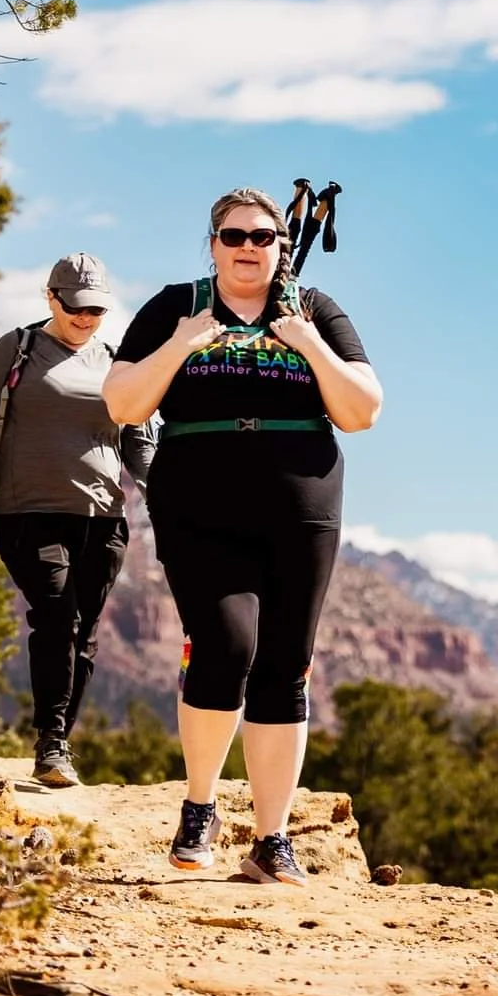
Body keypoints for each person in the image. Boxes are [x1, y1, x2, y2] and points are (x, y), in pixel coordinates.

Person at [103, 188, 382, 887]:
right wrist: (180, 345)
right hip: (199, 499)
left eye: (263, 236)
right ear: (213, 243)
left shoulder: (315, 309)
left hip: (303, 502)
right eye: (234, 236)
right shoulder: (176, 306)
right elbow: (124, 402)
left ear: (282, 245)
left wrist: (309, 344)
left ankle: (272, 838)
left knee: (286, 662)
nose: (249, 246)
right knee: (226, 643)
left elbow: (363, 410)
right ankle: (200, 806)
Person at [0, 253, 156, 788]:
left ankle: (57, 741)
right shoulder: (17, 350)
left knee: (84, 632)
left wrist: (162, 490)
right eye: (77, 308)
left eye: (96, 309)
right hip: (27, 512)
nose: (87, 318)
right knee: (57, 616)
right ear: (52, 299)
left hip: (102, 518)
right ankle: (51, 741)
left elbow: (137, 437)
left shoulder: (115, 360)